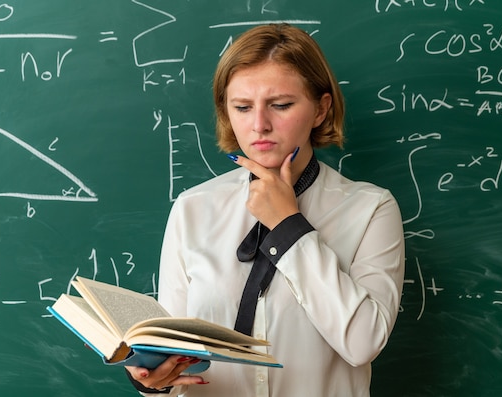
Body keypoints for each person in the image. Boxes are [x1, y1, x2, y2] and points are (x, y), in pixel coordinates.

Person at [125, 23, 405, 396]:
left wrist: (289, 227)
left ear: (321, 109)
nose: (259, 125)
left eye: (281, 105)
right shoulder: (193, 209)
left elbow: (362, 342)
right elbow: (175, 354)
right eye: (242, 107)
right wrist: (154, 381)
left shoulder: (371, 209)